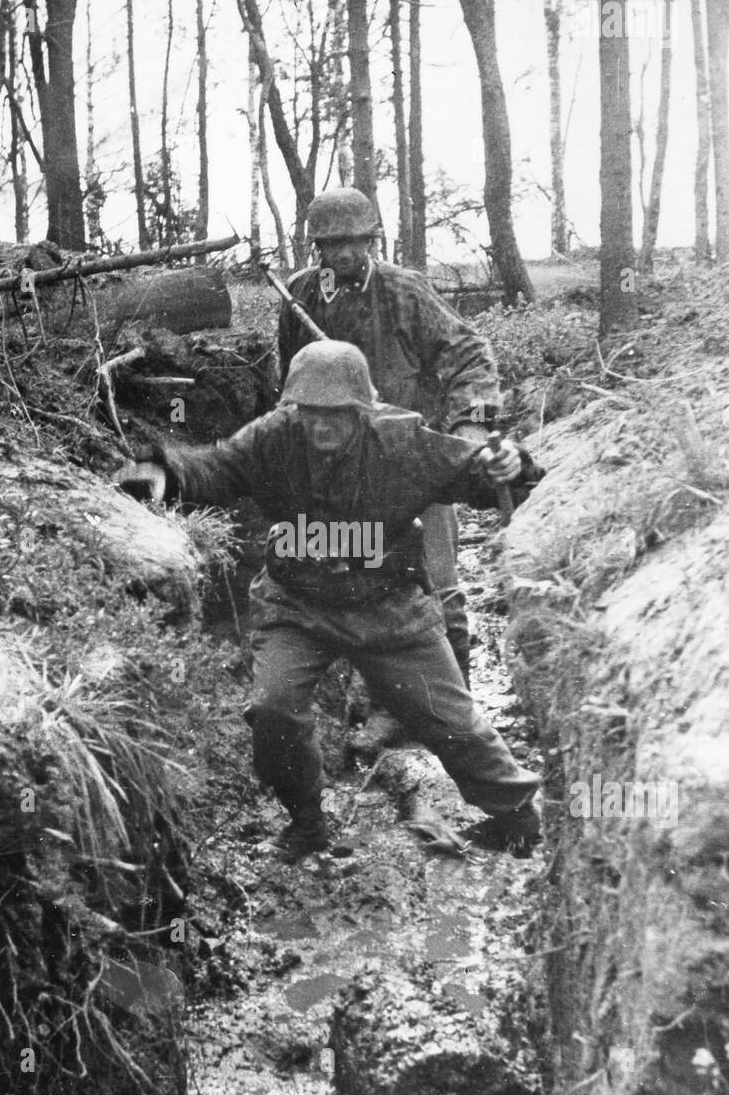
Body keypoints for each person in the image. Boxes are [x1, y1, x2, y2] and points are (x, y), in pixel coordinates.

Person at [117, 340, 545, 862]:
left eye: (336, 416)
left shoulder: (401, 439)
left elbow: (473, 472)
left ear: (363, 410)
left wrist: (510, 465)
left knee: (453, 722)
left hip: (388, 602)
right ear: (293, 408)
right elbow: (216, 467)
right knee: (274, 711)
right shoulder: (273, 437)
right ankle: (307, 824)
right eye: (310, 414)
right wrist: (165, 470)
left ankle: (517, 818)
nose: (321, 427)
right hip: (296, 602)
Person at [277, 186, 504, 698]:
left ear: (374, 240)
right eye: (333, 245)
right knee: (360, 589)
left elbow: (469, 353)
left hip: (412, 461)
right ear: (317, 248)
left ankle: (455, 715)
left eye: (357, 243)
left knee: (437, 588)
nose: (345, 255)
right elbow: (288, 387)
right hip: (340, 471)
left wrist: (472, 424)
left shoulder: (406, 291)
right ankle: (384, 708)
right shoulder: (301, 296)